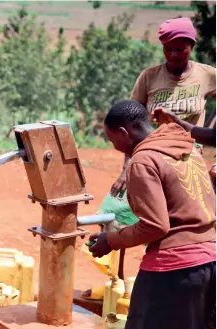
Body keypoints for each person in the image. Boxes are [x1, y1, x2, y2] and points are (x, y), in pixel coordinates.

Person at [89, 100, 216, 329]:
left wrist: (111, 240)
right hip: (211, 261)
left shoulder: (143, 161)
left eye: (112, 140)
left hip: (174, 269)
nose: (114, 147)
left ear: (123, 132)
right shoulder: (187, 148)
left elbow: (155, 226)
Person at [111, 17, 216, 199]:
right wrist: (127, 167)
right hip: (152, 156)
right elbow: (130, 123)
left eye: (180, 49)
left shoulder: (207, 75)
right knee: (135, 209)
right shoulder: (149, 77)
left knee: (184, 211)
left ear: (192, 46)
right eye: (168, 49)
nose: (173, 54)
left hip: (188, 156)